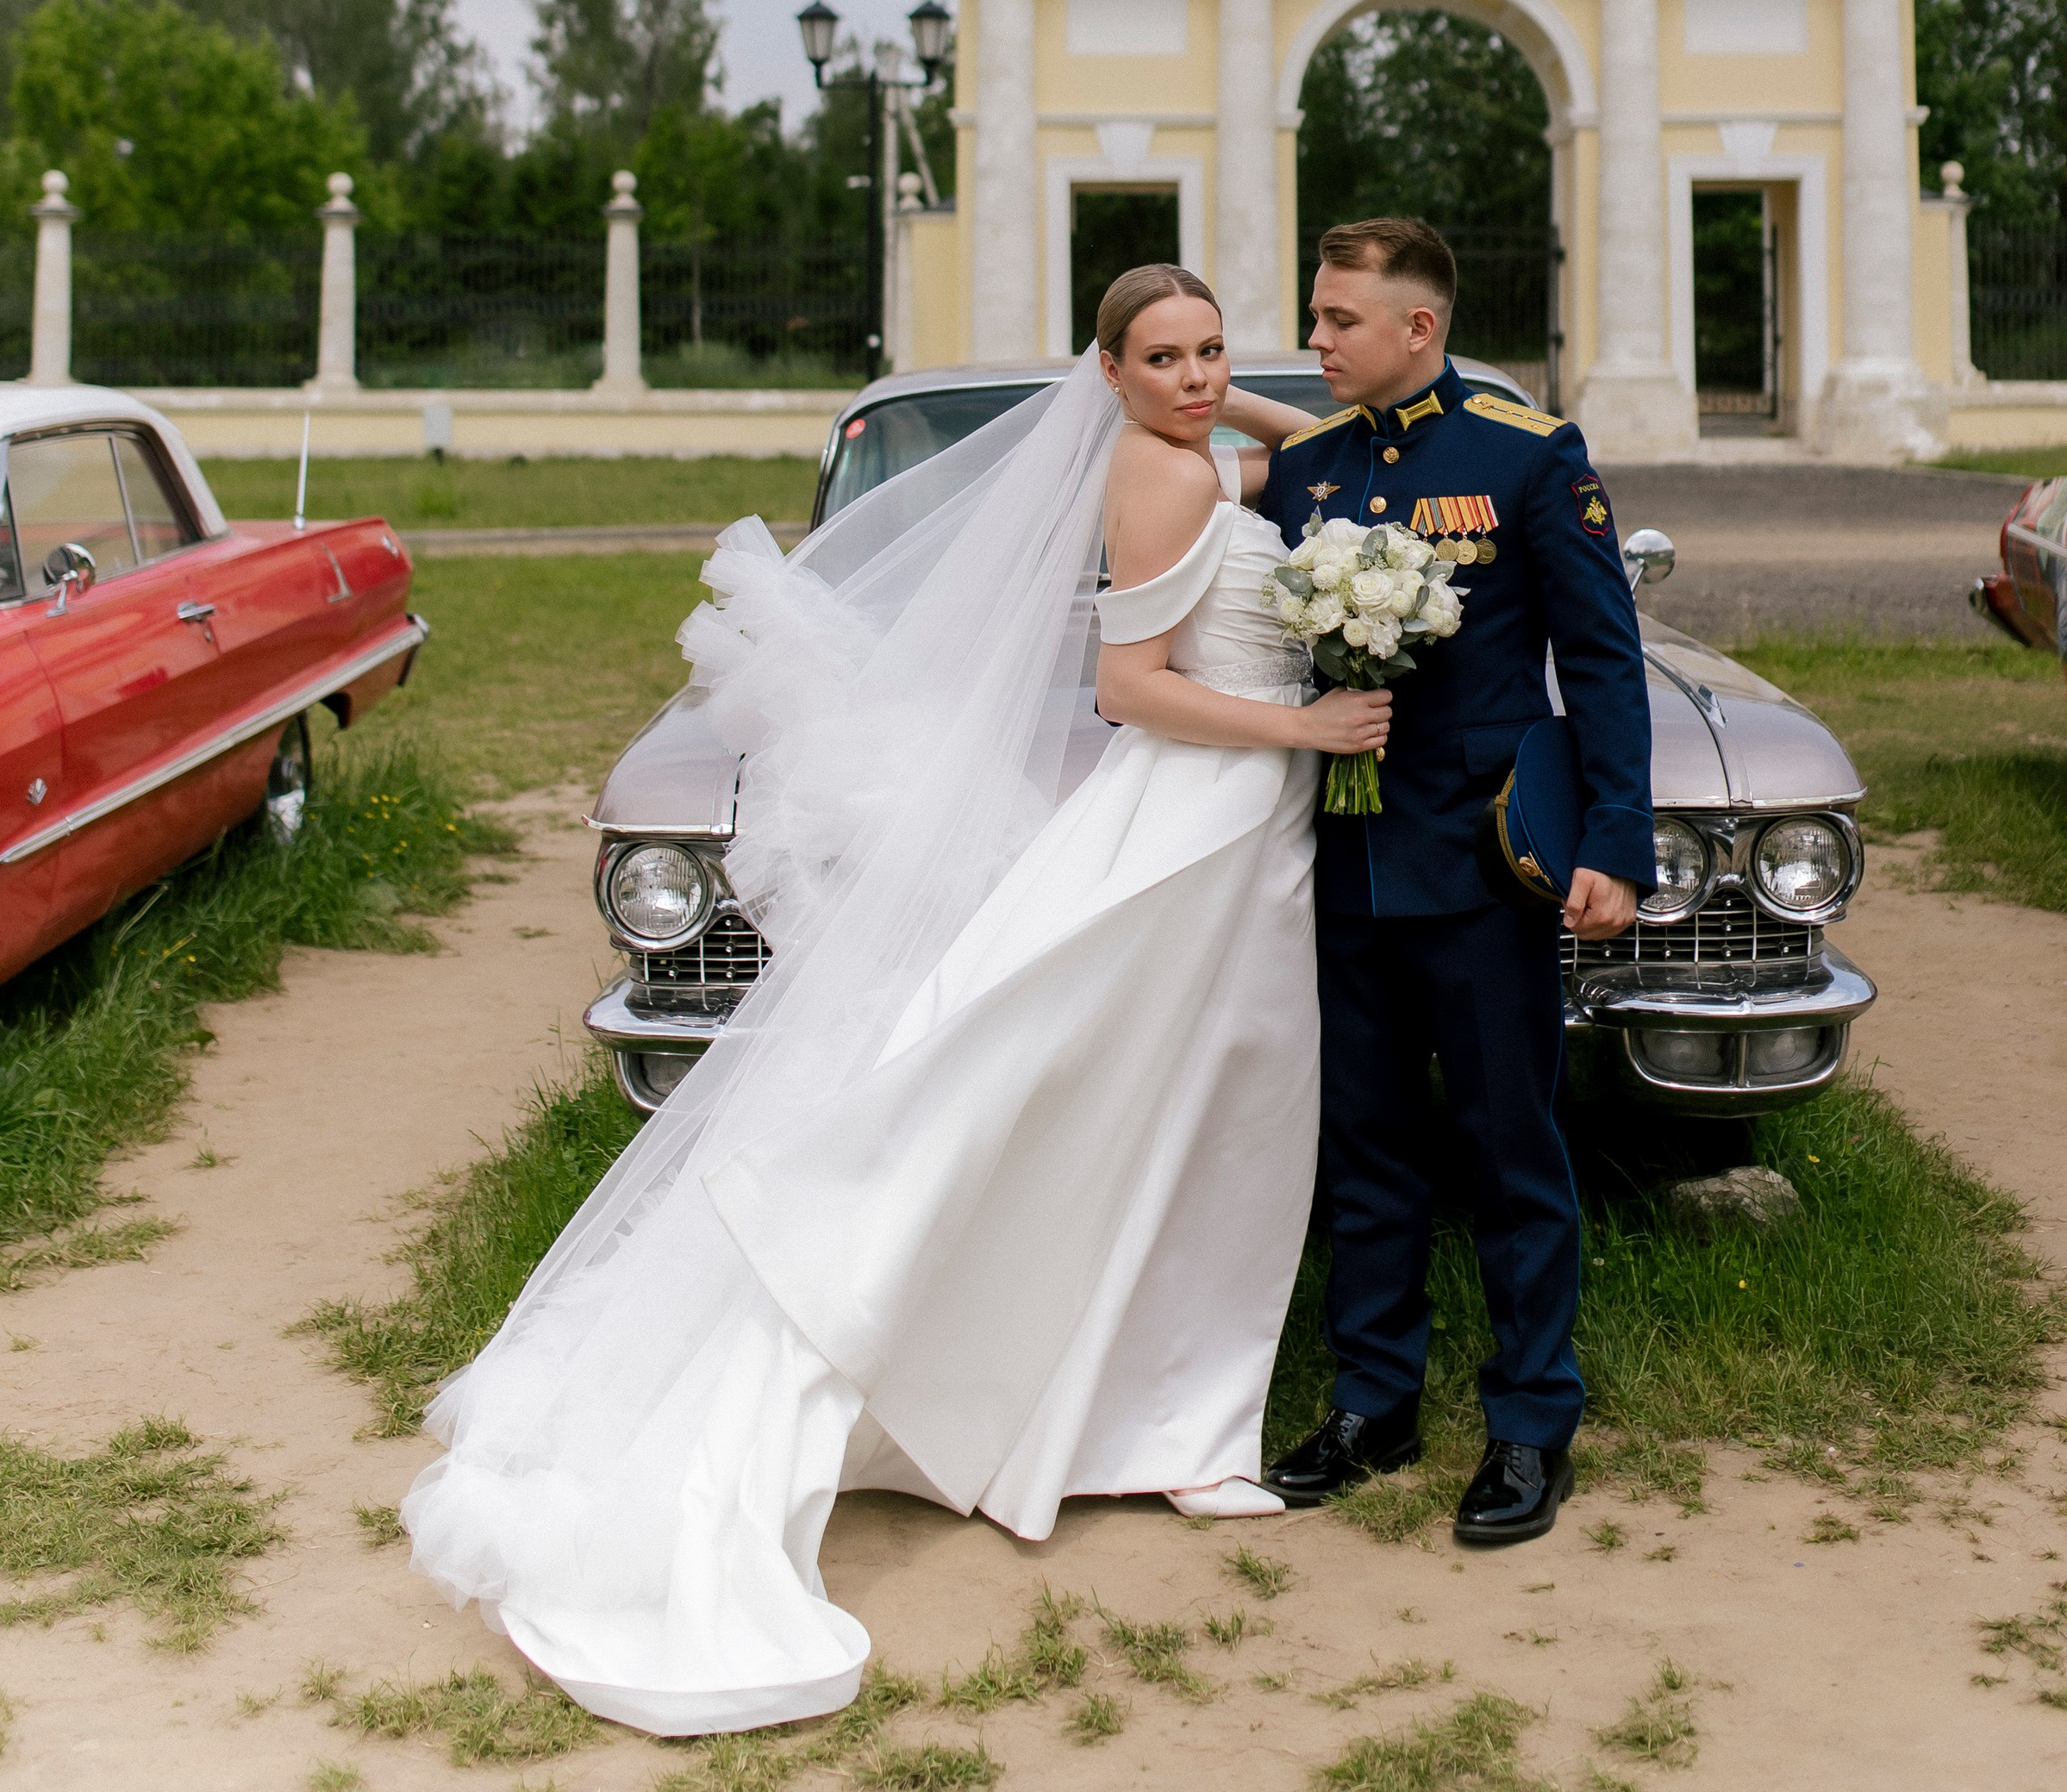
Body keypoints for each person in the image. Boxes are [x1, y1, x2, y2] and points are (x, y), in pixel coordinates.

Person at [401, 265, 1386, 1738]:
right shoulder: (1166, 482)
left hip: (1240, 829)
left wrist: (1210, 390)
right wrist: (1304, 720)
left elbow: (1286, 449)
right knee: (1165, 1104)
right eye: (1165, 358)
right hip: (1196, 817)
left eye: (1213, 351)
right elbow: (1128, 687)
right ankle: (1151, 1417)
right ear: (1108, 374)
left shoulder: (1192, 447)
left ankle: (1154, 1413)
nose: (1198, 377)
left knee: (1188, 1114)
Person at [1260, 216, 1654, 1550]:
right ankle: (1377, 1400)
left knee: (1507, 1147)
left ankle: (1533, 1418)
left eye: (1338, 321)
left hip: (1483, 866)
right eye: (1315, 318)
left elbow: (1602, 661)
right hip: (1342, 865)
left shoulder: (1526, 453)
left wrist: (1615, 846)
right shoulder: (1302, 469)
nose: (1316, 339)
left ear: (1417, 329)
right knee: (1363, 1149)